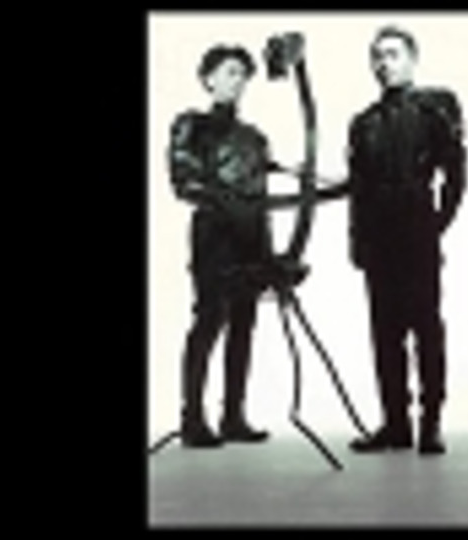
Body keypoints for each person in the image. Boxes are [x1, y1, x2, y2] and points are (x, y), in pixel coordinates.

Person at [320, 26, 466, 455]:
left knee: (427, 329)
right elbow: (359, 188)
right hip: (378, 235)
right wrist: (356, 239)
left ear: (412, 59)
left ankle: (431, 423)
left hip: (417, 228)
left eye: (393, 54)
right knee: (385, 333)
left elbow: (456, 172)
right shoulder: (363, 123)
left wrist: (437, 223)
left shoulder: (435, 109)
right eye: (378, 56)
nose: (385, 63)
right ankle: (396, 424)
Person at [167, 44, 278, 448]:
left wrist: (268, 257)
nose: (237, 80)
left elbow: (261, 198)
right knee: (210, 318)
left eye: (242, 74)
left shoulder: (255, 138)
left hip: (250, 237)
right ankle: (192, 418)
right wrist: (229, 204)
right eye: (229, 71)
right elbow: (183, 180)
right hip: (215, 236)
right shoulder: (191, 126)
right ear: (208, 78)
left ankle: (233, 415)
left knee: (244, 324)